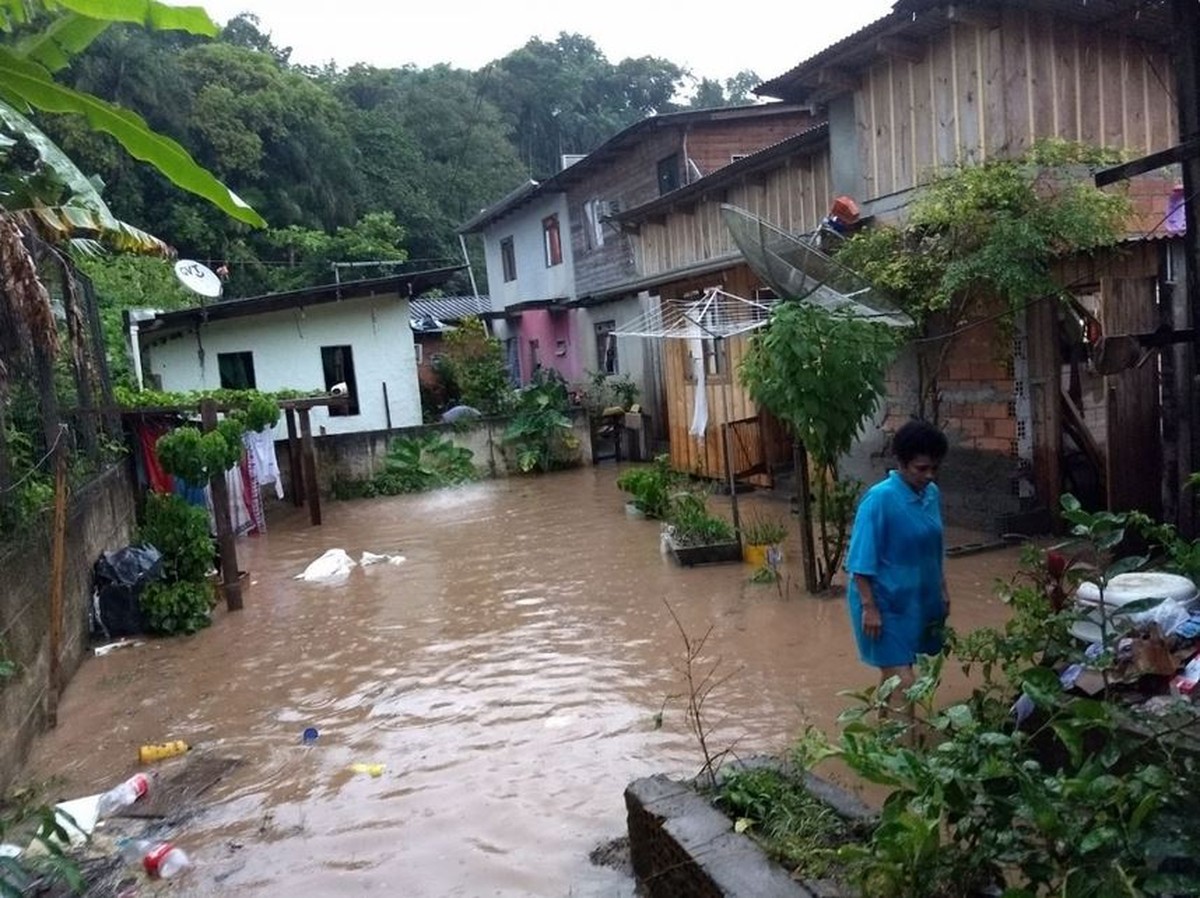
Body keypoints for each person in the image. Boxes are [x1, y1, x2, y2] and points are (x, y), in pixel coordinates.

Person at [845, 419, 950, 698]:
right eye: (921, 468)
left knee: (895, 677)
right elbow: (859, 561)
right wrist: (870, 608)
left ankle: (882, 735)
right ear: (901, 463)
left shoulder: (931, 494)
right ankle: (906, 742)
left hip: (915, 602)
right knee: (905, 681)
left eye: (935, 468)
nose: (929, 475)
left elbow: (934, 549)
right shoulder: (880, 500)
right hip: (882, 605)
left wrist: (942, 590)